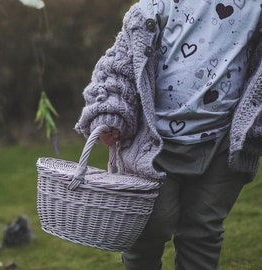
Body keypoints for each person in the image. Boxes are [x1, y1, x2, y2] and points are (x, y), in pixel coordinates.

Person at [75, 0, 262, 269]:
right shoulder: (158, 6)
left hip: (222, 144)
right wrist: (111, 113)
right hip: (154, 146)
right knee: (147, 230)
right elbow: (119, 66)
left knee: (203, 232)